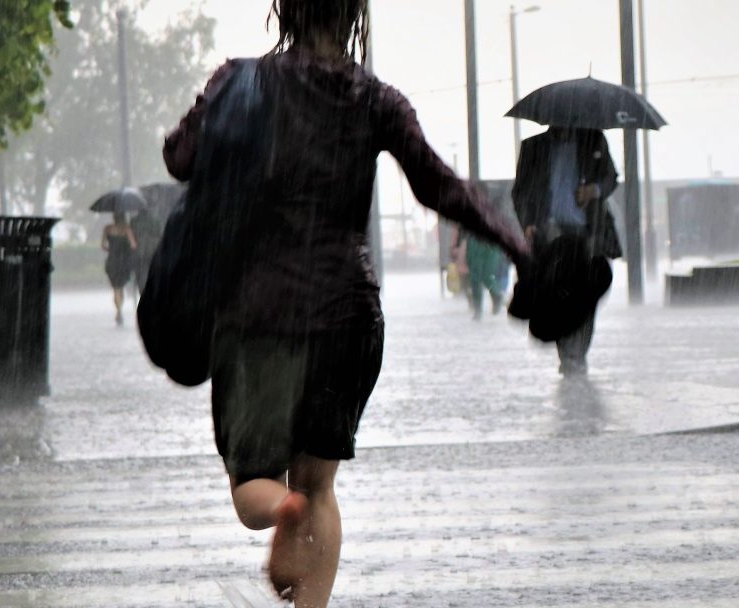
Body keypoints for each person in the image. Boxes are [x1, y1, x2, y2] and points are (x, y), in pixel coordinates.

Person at [161, 2, 528, 606]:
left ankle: (279, 509)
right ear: (354, 11)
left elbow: (180, 157)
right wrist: (516, 245)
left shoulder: (242, 81)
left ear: (285, 8)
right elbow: (439, 185)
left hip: (263, 317)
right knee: (322, 485)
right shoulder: (375, 99)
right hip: (350, 317)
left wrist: (213, 111)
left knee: (256, 485)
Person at [512, 126, 621, 376]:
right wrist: (528, 222)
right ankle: (569, 357)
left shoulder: (593, 140)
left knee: (584, 296)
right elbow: (520, 191)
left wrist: (593, 190)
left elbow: (610, 178)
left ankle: (577, 354)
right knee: (557, 296)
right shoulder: (533, 147)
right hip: (550, 233)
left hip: (587, 232)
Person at [101, 211, 137, 326]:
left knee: (115, 288)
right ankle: (120, 309)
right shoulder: (127, 229)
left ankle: (118, 310)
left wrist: (111, 250)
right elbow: (133, 245)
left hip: (112, 261)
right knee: (120, 287)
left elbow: (103, 245)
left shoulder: (107, 228)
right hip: (123, 262)